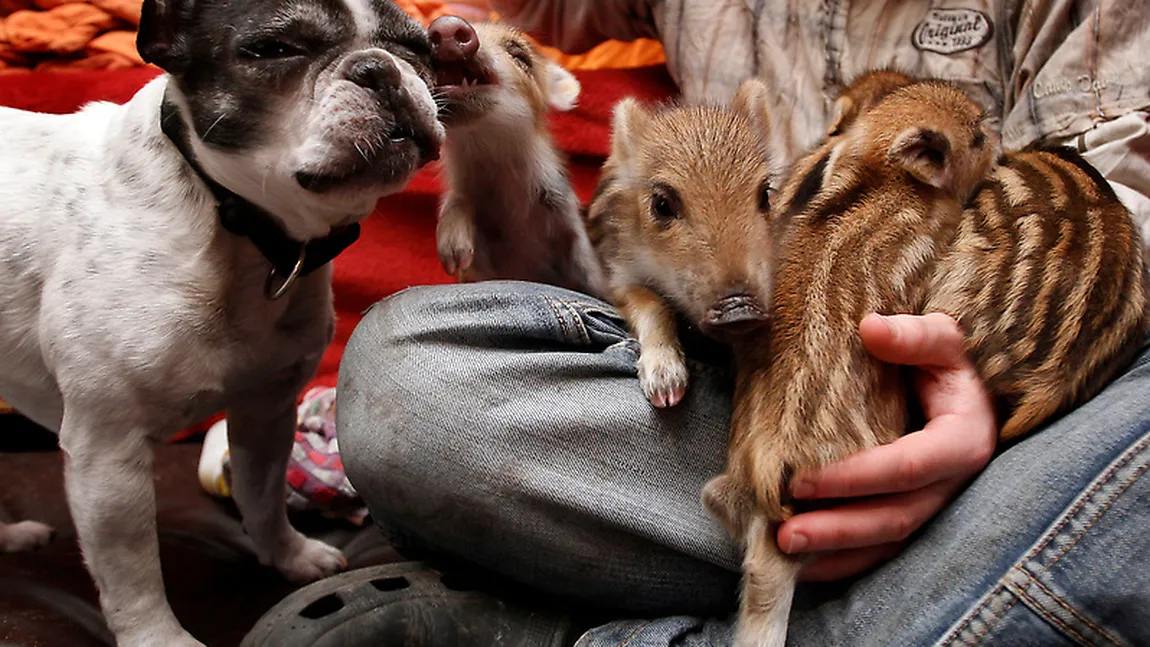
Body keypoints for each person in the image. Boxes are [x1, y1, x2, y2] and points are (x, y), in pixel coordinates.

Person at [336, 2, 1150, 645]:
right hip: (737, 391)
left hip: (1019, 411)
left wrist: (978, 393)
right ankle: (944, 589)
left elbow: (1117, 201)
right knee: (408, 381)